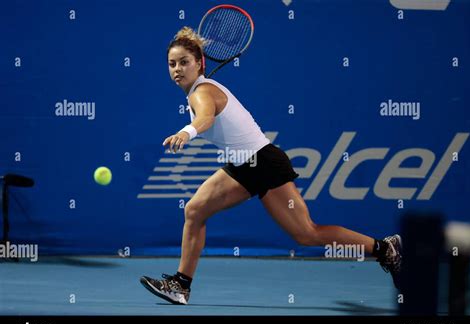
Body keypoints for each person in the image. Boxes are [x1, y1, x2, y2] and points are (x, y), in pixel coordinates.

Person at [140, 27, 402, 305]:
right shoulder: (198, 91)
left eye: (184, 62)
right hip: (243, 166)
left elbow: (206, 118)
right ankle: (181, 285)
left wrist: (186, 132)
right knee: (194, 209)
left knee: (306, 233)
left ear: (199, 64)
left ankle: (385, 248)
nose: (177, 69)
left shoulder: (201, 92)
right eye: (172, 64)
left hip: (263, 163)